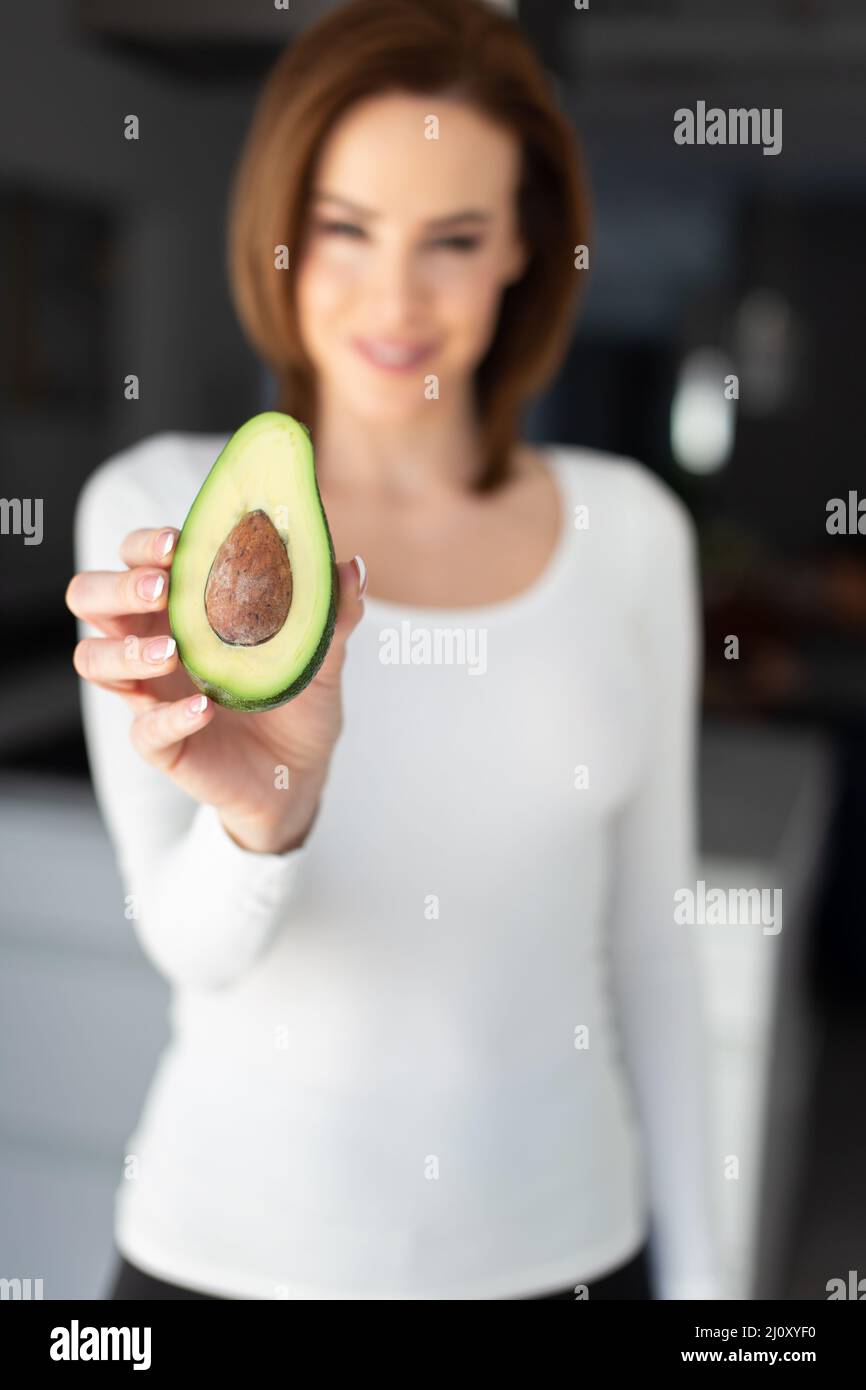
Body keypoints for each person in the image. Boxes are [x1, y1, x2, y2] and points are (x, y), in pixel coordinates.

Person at [66, 0, 723, 1301]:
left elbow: (654, 945)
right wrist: (268, 812)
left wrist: (711, 1306)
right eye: (347, 229)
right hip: (230, 1259)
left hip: (565, 1253)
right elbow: (189, 943)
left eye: (454, 240)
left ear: (521, 252)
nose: (395, 298)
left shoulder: (632, 530)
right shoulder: (153, 503)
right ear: (281, 232)